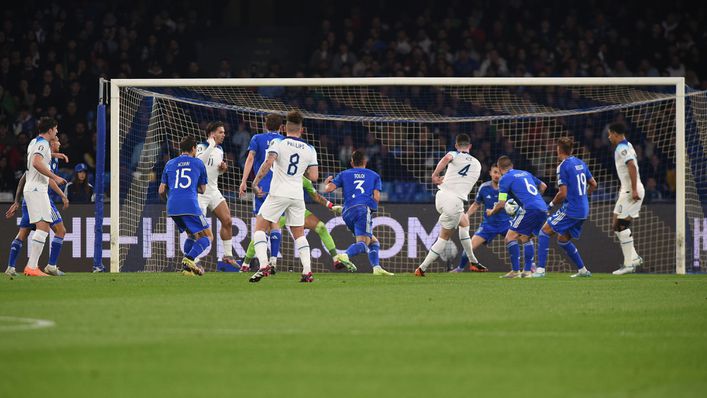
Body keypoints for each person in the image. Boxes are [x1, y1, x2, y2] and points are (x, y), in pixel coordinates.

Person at [248, 110, 318, 283]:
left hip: (278, 192)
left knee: (259, 229)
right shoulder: (310, 149)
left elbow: (268, 162)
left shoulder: (278, 142)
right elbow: (314, 176)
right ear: (302, 130)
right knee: (299, 234)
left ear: (285, 127)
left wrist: (255, 183)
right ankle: (307, 271)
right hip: (297, 195)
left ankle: (264, 265)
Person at [239, 176, 348, 269]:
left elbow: (316, 196)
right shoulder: (280, 175)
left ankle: (335, 259)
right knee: (263, 234)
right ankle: (246, 264)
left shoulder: (303, 179)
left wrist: (331, 206)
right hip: (280, 212)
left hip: (296, 211)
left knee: (321, 227)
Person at [415, 134, 482, 276]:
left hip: (440, 197)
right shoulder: (477, 164)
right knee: (443, 238)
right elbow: (464, 179)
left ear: (457, 146)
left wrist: (435, 175)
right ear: (470, 146)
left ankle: (473, 261)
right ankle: (422, 268)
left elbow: (447, 159)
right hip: (455, 202)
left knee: (464, 222)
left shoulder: (454, 154)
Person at [5, 135, 69, 276]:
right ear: (51, 143)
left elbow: (25, 177)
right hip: (41, 197)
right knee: (60, 230)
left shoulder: (43, 155)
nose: (59, 142)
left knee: (23, 233)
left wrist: (17, 200)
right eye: (57, 139)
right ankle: (48, 266)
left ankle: (11, 267)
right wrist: (63, 195)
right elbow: (49, 180)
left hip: (28, 198)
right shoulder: (45, 160)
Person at [533, 138, 597, 278]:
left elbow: (563, 193)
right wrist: (582, 196)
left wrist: (550, 204)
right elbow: (593, 184)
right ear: (572, 149)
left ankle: (540, 270)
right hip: (584, 210)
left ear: (558, 149)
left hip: (572, 210)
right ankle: (583, 271)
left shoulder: (563, 166)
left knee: (544, 231)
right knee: (562, 239)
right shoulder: (581, 163)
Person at [324, 150, 394, 276]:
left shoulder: (344, 174)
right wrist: (371, 208)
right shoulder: (374, 175)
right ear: (365, 162)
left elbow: (328, 189)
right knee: (363, 243)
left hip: (347, 213)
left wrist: (327, 183)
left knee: (373, 242)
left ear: (351, 163)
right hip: (362, 210)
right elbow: (376, 197)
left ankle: (376, 268)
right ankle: (344, 255)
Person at [18, 117, 67, 276]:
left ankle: (32, 266)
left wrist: (54, 155)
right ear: (51, 130)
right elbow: (36, 162)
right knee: (43, 228)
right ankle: (32, 267)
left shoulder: (34, 142)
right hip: (37, 189)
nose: (57, 132)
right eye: (56, 129)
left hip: (33, 189)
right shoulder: (43, 144)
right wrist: (54, 177)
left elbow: (37, 156)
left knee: (44, 227)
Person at [486, 156, 548, 278]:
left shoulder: (504, 179)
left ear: (499, 168)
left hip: (529, 209)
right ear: (511, 165)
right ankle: (527, 272)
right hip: (542, 208)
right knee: (525, 238)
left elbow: (501, 203)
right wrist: (535, 200)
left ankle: (515, 272)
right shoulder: (525, 173)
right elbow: (543, 186)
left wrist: (492, 212)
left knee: (510, 237)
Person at [158, 136, 211, 276]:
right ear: (194, 148)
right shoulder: (198, 163)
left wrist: (169, 201)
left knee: (192, 235)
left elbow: (161, 190)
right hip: (189, 204)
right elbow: (203, 189)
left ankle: (187, 270)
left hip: (172, 206)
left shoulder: (170, 163)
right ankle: (189, 259)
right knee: (208, 237)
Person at [238, 114, 284, 272]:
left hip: (261, 187)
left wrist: (244, 181)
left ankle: (262, 263)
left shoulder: (257, 138)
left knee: (260, 226)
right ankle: (273, 260)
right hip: (279, 188)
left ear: (266, 124)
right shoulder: (284, 141)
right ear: (281, 127)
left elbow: (250, 159)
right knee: (275, 223)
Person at [449, 164, 509, 273]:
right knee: (469, 246)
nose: (497, 175)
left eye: (499, 173)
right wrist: (466, 215)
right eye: (495, 172)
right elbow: (476, 204)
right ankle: (460, 268)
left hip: (506, 223)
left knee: (524, 238)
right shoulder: (484, 188)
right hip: (489, 225)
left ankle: (530, 266)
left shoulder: (507, 188)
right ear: (490, 173)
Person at [195, 121, 237, 266]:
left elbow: (213, 171)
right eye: (221, 132)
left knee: (228, 220)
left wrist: (222, 169)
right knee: (199, 228)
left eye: (224, 132)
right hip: (200, 192)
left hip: (213, 190)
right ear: (212, 134)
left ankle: (228, 255)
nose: (223, 135)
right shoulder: (201, 146)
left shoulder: (220, 150)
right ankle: (195, 259)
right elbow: (199, 162)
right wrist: (211, 145)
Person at [607, 123, 645, 274]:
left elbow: (632, 166)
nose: (609, 137)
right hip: (626, 190)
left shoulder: (621, 148)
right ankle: (634, 257)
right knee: (616, 224)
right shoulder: (628, 144)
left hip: (631, 191)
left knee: (621, 226)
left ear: (615, 134)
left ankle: (629, 264)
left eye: (610, 134)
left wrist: (634, 189)